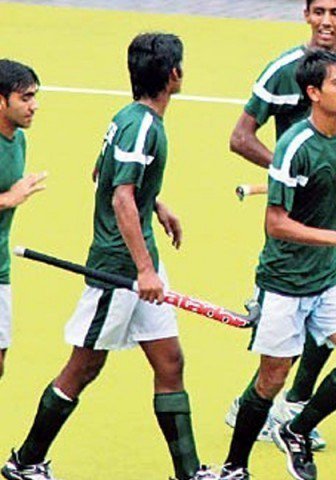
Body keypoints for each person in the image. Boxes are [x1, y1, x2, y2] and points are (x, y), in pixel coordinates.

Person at [1, 34, 215, 480]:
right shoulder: (143, 127)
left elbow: (104, 173)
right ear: (173, 74)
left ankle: (189, 473)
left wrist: (154, 203)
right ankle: (25, 461)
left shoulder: (128, 118)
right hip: (119, 268)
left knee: (170, 362)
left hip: (141, 261)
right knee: (83, 367)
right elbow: (119, 196)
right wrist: (144, 269)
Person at [217, 49, 336, 480]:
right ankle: (235, 466)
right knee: (272, 379)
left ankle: (297, 431)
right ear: (313, 93)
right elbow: (276, 224)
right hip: (285, 281)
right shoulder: (293, 147)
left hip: (330, 275)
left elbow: (335, 192)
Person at [0, 59, 47, 381]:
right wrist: (7, 199)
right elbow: (8, 198)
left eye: (34, 96)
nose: (34, 106)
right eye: (25, 98)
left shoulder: (19, 140)